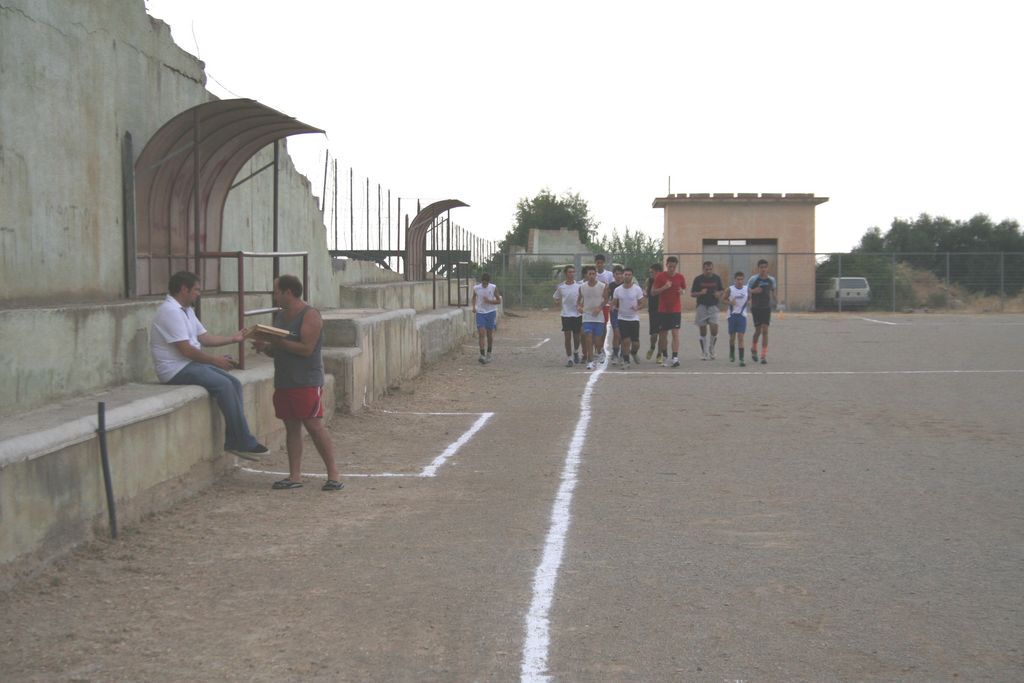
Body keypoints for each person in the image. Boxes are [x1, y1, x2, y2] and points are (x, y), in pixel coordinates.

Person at [149, 271, 269, 459]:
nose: (199, 294)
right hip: (175, 370)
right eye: (196, 290)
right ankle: (243, 441)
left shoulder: (186, 310)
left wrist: (233, 338)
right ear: (184, 289)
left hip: (189, 365)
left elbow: (204, 338)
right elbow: (187, 351)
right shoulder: (170, 311)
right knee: (224, 385)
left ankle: (235, 441)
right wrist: (215, 361)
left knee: (234, 383)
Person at [251, 275, 343, 491]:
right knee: (291, 426)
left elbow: (306, 349)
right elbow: (279, 349)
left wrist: (278, 342)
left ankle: (334, 474)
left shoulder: (310, 315)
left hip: (306, 380)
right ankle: (295, 476)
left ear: (288, 292)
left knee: (313, 425)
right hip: (285, 379)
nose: (274, 296)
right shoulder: (281, 316)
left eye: (277, 292)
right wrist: (266, 347)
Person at [651, 256, 686, 367]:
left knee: (675, 333)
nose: (671, 269)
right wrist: (664, 287)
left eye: (674, 267)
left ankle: (675, 358)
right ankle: (665, 356)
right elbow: (653, 292)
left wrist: (682, 291)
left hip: (675, 310)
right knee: (663, 335)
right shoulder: (660, 277)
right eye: (670, 266)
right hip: (663, 310)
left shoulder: (680, 277)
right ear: (666, 265)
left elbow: (684, 289)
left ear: (676, 266)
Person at [690, 260, 725, 360]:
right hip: (702, 306)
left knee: (714, 329)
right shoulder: (698, 279)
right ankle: (704, 352)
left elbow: (722, 290)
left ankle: (711, 348)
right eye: (706, 269)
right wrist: (700, 293)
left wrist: (719, 293)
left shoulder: (717, 278)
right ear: (703, 269)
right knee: (703, 330)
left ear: (712, 269)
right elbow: (692, 294)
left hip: (713, 306)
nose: (708, 271)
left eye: (710, 269)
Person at [611, 267, 645, 369]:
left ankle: (633, 352)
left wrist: (637, 307)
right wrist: (613, 306)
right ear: (623, 275)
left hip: (634, 319)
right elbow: (614, 302)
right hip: (622, 318)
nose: (627, 276)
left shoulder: (637, 289)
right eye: (625, 274)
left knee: (635, 343)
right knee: (625, 341)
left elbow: (642, 302)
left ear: (632, 276)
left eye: (629, 275)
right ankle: (626, 361)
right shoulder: (617, 290)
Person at [576, 265, 607, 370]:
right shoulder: (582, 287)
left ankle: (600, 351)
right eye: (590, 274)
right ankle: (590, 361)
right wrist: (579, 307)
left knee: (597, 341)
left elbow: (606, 299)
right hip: (587, 316)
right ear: (586, 275)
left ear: (596, 275)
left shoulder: (602, 286)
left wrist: (600, 307)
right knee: (588, 338)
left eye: (594, 274)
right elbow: (579, 301)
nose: (592, 276)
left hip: (599, 317)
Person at [747, 259, 778, 365]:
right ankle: (753, 348)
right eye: (761, 267)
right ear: (758, 268)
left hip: (766, 307)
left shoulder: (771, 280)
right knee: (758, 331)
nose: (763, 269)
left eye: (765, 267)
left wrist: (776, 301)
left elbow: (773, 291)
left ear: (767, 268)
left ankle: (763, 355)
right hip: (756, 307)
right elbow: (746, 290)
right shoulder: (753, 279)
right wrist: (753, 291)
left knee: (765, 330)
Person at [553, 265, 582, 367]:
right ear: (566, 273)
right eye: (569, 272)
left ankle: (576, 351)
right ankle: (569, 358)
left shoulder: (579, 286)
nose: (572, 274)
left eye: (573, 272)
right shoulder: (561, 287)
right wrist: (557, 302)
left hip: (577, 314)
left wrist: (581, 306)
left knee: (577, 337)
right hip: (566, 314)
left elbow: (583, 297)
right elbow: (556, 297)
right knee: (567, 336)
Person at [472, 273, 502, 364]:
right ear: (481, 281)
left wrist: (489, 301)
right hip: (480, 313)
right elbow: (474, 297)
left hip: (491, 312)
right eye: (483, 283)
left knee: (489, 334)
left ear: (489, 282)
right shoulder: (476, 288)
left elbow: (498, 301)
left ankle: (489, 353)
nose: (484, 285)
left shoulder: (493, 287)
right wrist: (474, 307)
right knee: (481, 333)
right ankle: (482, 355)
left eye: (486, 283)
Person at [593, 254, 615, 363]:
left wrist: (606, 288)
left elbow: (612, 288)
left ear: (604, 263)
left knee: (603, 325)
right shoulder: (593, 274)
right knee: (594, 326)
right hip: (594, 304)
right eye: (598, 263)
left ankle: (601, 347)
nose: (599, 264)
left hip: (605, 304)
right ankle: (597, 348)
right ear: (595, 263)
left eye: (601, 263)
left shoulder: (609, 274)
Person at [726, 271, 750, 367]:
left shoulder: (747, 289)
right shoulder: (730, 289)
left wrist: (750, 302)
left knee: (740, 337)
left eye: (741, 279)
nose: (739, 281)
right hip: (732, 315)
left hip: (742, 316)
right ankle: (732, 352)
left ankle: (741, 359)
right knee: (732, 338)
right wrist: (730, 302)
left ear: (743, 280)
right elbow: (722, 299)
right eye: (738, 279)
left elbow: (750, 297)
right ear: (735, 280)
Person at [645, 263, 663, 362]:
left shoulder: (664, 281)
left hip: (664, 310)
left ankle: (659, 354)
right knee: (654, 335)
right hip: (653, 310)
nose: (650, 274)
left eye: (652, 272)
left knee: (662, 334)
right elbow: (647, 294)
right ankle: (652, 347)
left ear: (658, 272)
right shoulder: (649, 281)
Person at [607, 265, 625, 364]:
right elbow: (607, 297)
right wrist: (610, 304)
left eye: (620, 274)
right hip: (614, 312)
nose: (618, 276)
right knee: (616, 332)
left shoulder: (625, 285)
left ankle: (622, 352)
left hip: (624, 312)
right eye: (616, 274)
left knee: (623, 333)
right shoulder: (611, 285)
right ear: (613, 275)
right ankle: (615, 353)